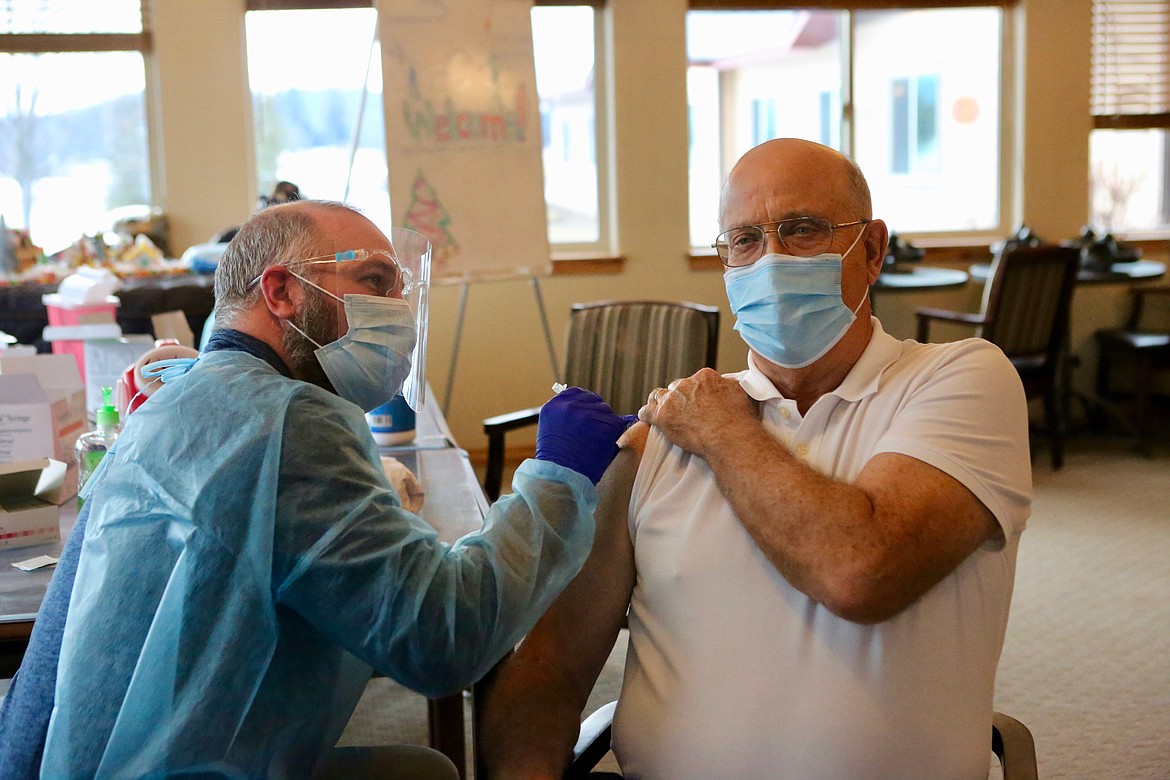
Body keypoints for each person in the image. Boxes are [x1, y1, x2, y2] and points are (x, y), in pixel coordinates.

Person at [0, 200, 632, 778]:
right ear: (281, 291)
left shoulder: (200, 396)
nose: (398, 315)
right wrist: (559, 475)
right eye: (376, 283)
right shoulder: (286, 417)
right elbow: (441, 639)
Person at [478, 138, 1033, 780]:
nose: (770, 258)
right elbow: (551, 667)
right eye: (743, 240)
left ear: (873, 249)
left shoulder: (960, 379)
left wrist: (722, 431)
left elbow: (861, 570)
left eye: (801, 230)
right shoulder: (659, 443)